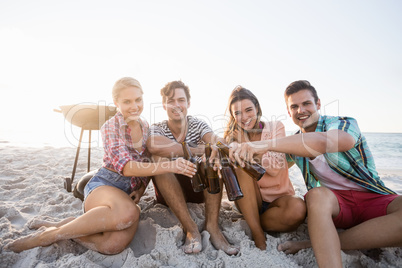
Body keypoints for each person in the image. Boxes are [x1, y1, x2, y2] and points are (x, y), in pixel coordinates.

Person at [5, 77, 197, 254]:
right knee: (129, 213)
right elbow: (128, 167)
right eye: (127, 102)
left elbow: (146, 161)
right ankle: (46, 236)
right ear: (116, 103)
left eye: (138, 100)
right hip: (104, 186)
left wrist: (140, 188)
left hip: (126, 194)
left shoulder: (146, 126)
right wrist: (171, 166)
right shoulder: (110, 127)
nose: (134, 106)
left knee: (111, 245)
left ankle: (62, 226)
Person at [228, 80, 402, 268]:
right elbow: (273, 166)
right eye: (294, 106)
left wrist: (265, 144)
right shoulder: (292, 144)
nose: (301, 110)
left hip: (372, 197)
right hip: (335, 205)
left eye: (306, 104)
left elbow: (329, 141)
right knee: (315, 195)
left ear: (318, 104)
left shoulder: (343, 123)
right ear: (289, 112)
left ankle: (314, 243)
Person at [146, 80, 238, 255]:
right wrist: (197, 149)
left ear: (188, 103)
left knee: (214, 156)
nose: (176, 105)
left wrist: (216, 146)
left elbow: (215, 139)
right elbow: (153, 146)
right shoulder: (157, 127)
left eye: (181, 100)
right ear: (164, 105)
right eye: (171, 101)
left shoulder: (197, 124)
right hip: (169, 192)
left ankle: (212, 227)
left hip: (199, 190)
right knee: (158, 158)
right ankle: (191, 229)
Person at [223, 86, 306, 250]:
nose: (244, 117)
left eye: (248, 110)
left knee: (298, 209)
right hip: (249, 198)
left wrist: (250, 147)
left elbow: (276, 167)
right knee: (240, 168)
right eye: (238, 113)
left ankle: (253, 220)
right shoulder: (232, 138)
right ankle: (257, 232)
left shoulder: (275, 127)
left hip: (279, 200)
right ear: (233, 116)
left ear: (257, 108)